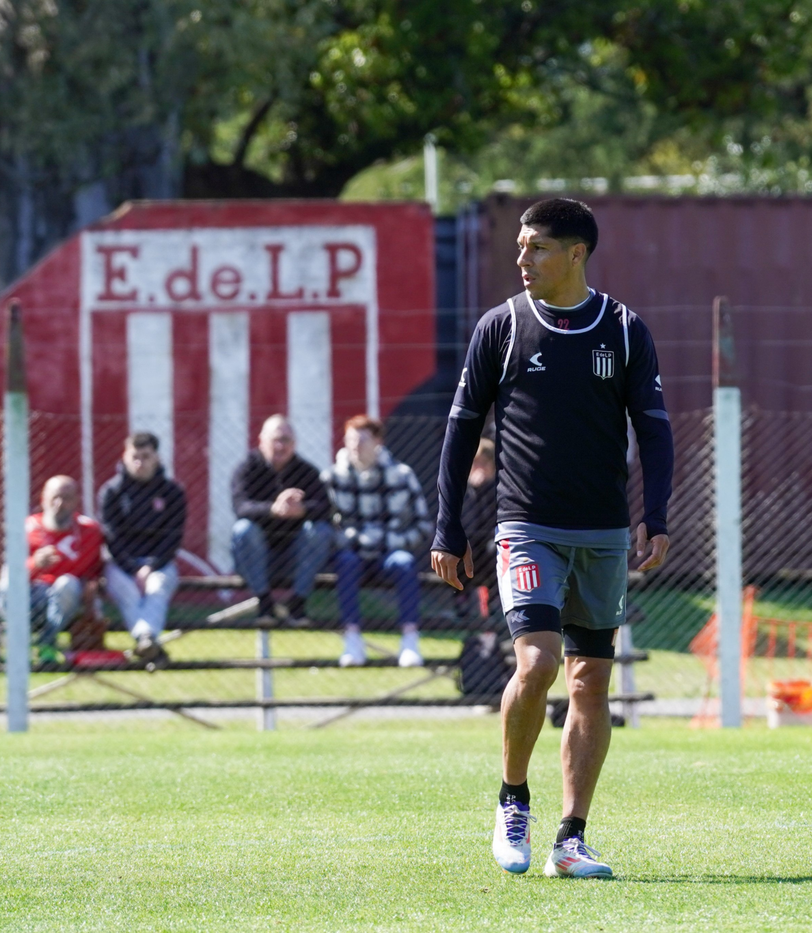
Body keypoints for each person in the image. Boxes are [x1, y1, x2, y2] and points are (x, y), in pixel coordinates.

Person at [430, 198, 674, 879]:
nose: (522, 258)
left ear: (575, 253)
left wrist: (657, 515)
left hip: (603, 532)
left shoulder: (624, 330)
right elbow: (458, 432)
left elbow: (654, 428)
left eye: (536, 247)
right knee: (537, 664)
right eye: (520, 246)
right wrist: (447, 524)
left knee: (591, 680)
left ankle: (572, 839)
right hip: (525, 526)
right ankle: (513, 801)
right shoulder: (501, 327)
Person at [322, 415, 432, 667]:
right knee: (345, 563)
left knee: (405, 563)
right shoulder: (332, 477)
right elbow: (325, 526)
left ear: (378, 442)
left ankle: (410, 640)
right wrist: (347, 540)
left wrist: (396, 540)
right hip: (351, 553)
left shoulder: (402, 475)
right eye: (350, 440)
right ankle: (352, 640)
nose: (355, 446)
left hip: (389, 553)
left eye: (362, 440)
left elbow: (423, 525)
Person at [231, 414, 333, 622]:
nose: (280, 446)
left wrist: (302, 510)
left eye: (285, 440)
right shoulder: (247, 468)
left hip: (294, 558)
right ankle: (265, 603)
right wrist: (274, 509)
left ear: (294, 444)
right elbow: (241, 507)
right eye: (274, 440)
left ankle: (297, 604)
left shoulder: (306, 472)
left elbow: (325, 507)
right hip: (254, 558)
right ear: (262, 441)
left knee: (320, 531)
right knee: (243, 529)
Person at [98, 433, 186, 659]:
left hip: (160, 564)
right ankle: (149, 641)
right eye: (134, 456)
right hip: (120, 564)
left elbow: (172, 539)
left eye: (145, 456)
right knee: (128, 591)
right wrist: (132, 568)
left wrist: (151, 566)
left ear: (157, 457)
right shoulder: (111, 492)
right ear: (124, 457)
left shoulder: (173, 493)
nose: (139, 463)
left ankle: (144, 639)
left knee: (157, 588)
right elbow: (112, 538)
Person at [0, 476, 105, 656]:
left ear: (76, 501)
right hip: (32, 594)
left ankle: (46, 643)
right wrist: (35, 564)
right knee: (9, 573)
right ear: (43, 499)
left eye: (66, 498)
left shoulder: (89, 532)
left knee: (68, 583)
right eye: (54, 497)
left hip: (68, 599)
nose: (59, 503)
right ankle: (15, 643)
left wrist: (94, 583)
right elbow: (13, 574)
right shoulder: (26, 528)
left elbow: (98, 570)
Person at [460, 437, 500, 618]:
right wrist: (474, 491)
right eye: (475, 463)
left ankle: (494, 606)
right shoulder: (461, 490)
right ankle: (461, 603)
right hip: (470, 546)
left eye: (483, 463)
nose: (478, 468)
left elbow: (491, 521)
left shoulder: (500, 488)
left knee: (495, 549)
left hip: (492, 546)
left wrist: (485, 488)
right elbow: (468, 522)